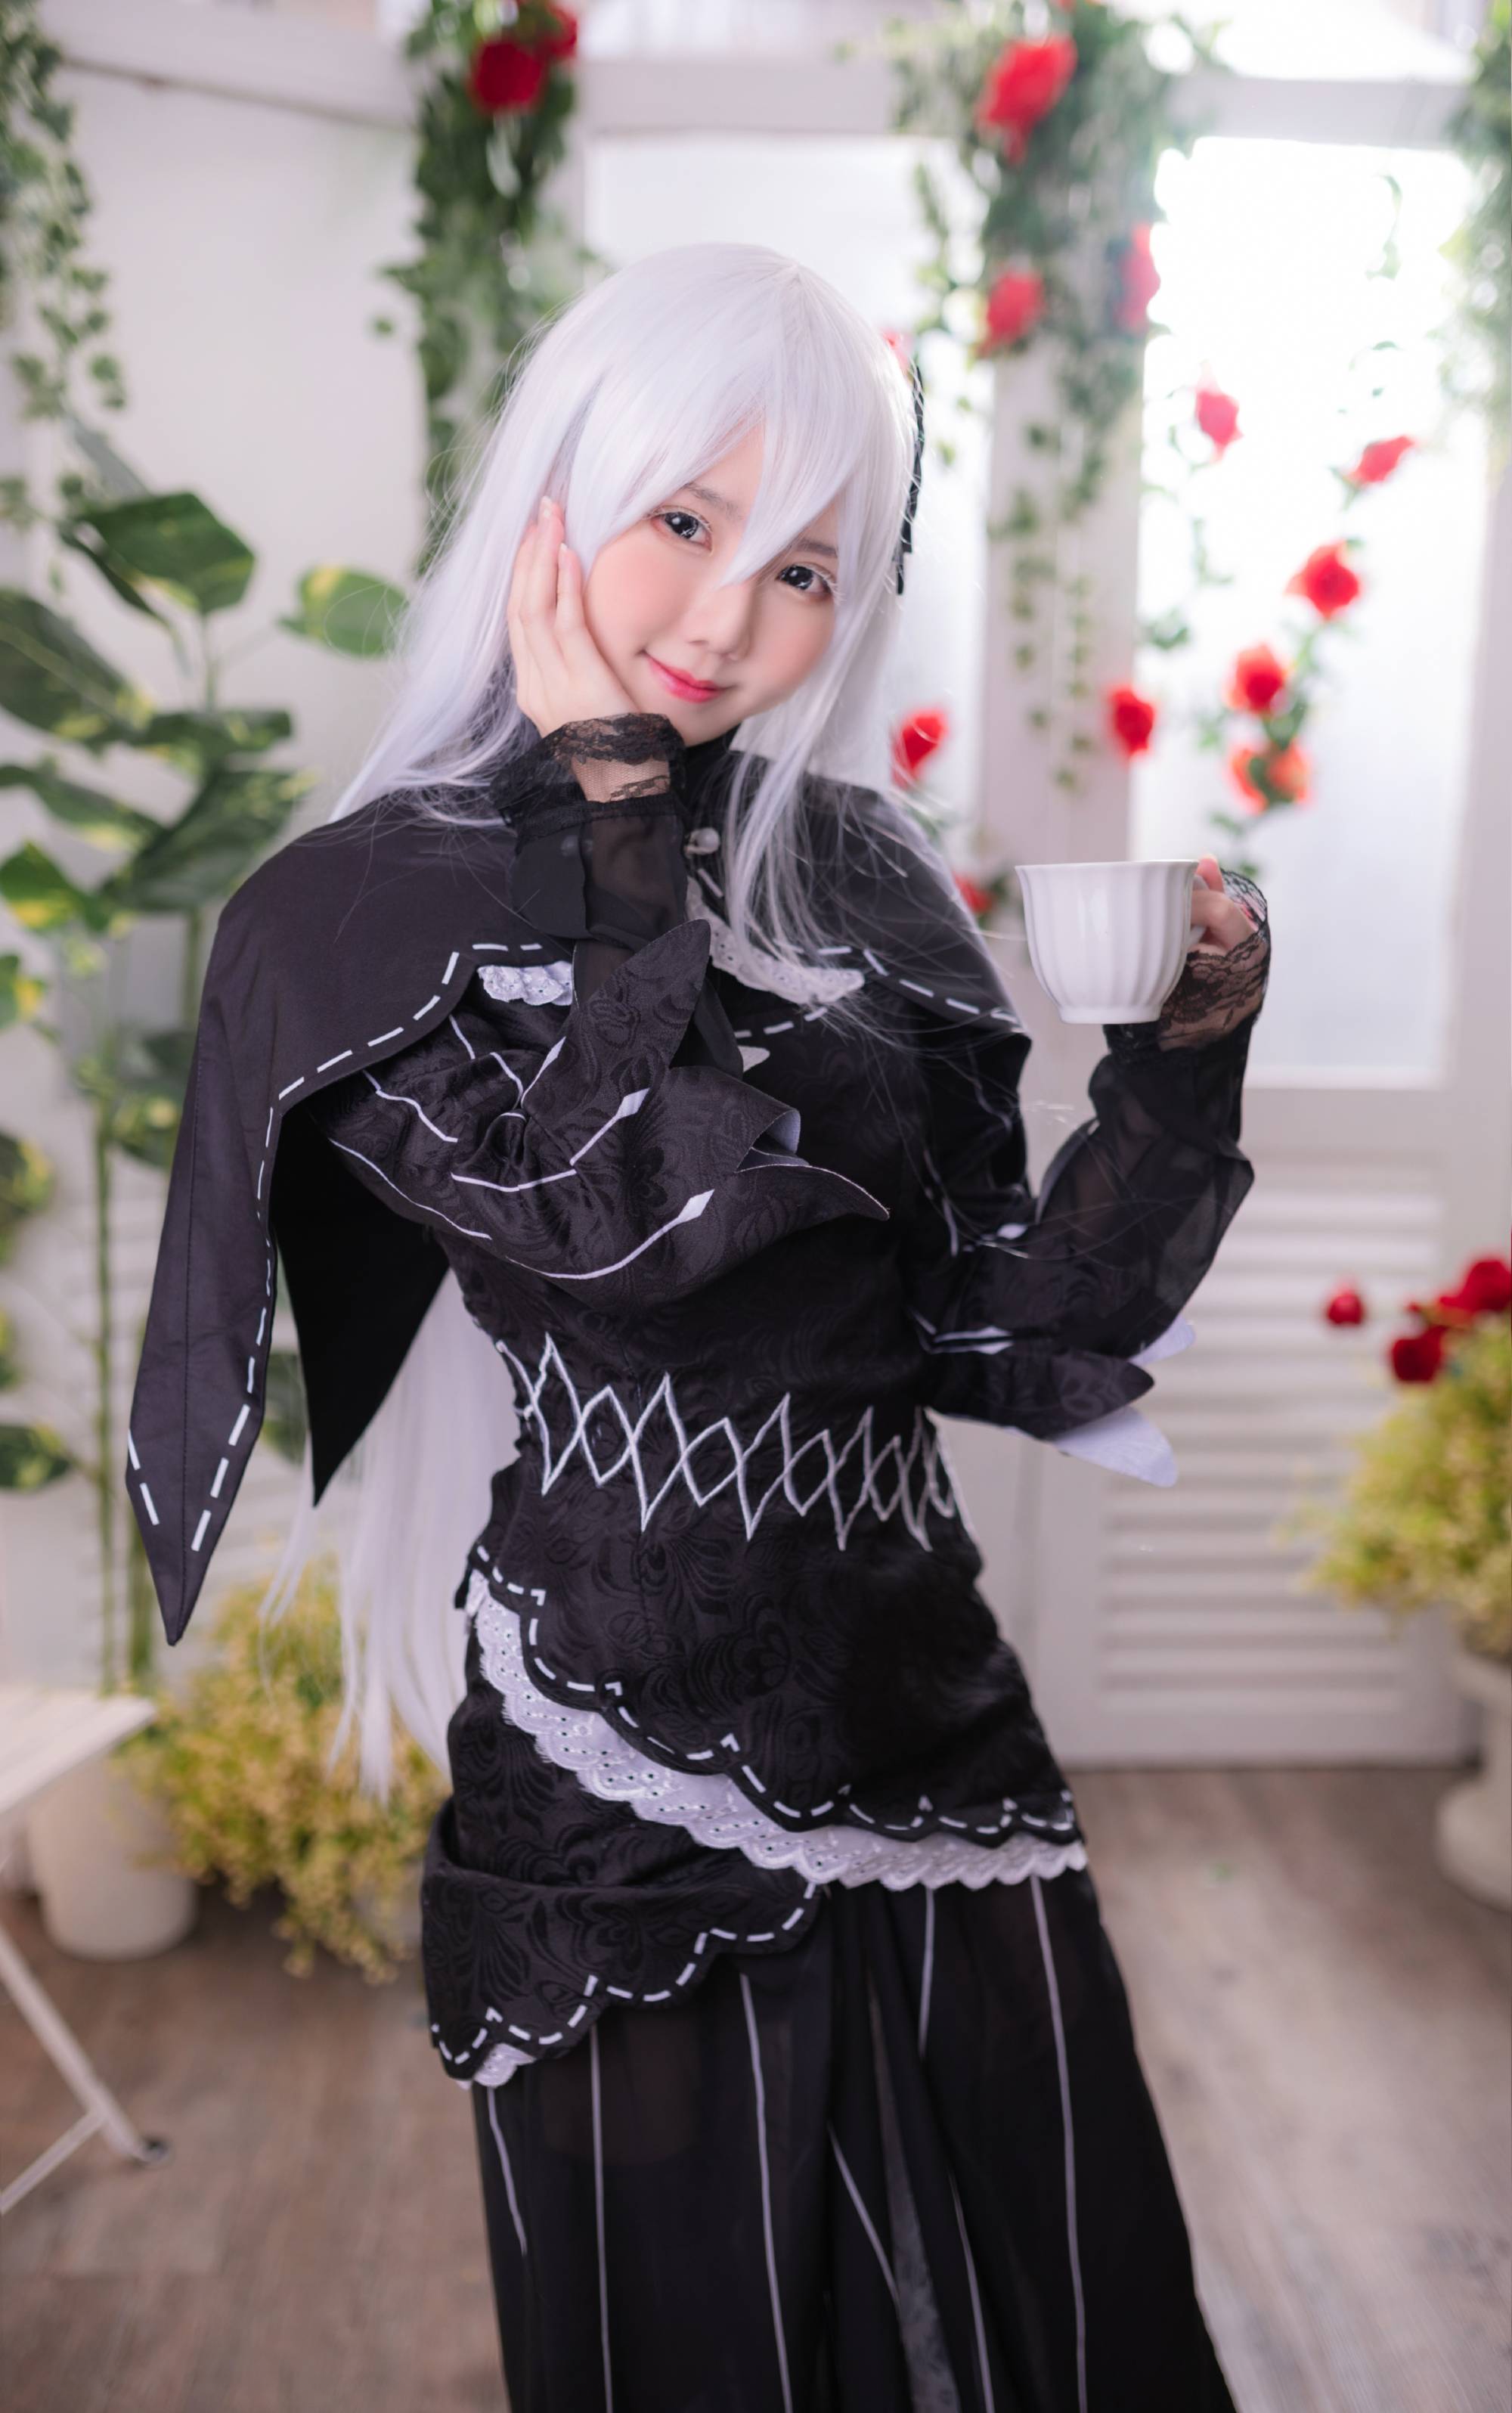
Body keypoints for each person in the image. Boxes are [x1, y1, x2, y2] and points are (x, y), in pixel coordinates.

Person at [127, 243, 1269, 2412]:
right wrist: (619, 821)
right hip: (614, 1765)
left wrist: (1183, 1063)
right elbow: (618, 1224)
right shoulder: (362, 908)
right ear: (557, 497)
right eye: (683, 520)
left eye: (806, 567)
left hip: (934, 1728)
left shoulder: (858, 873)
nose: (730, 618)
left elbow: (1011, 1328)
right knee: (696, 2344)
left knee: (1060, 2309)